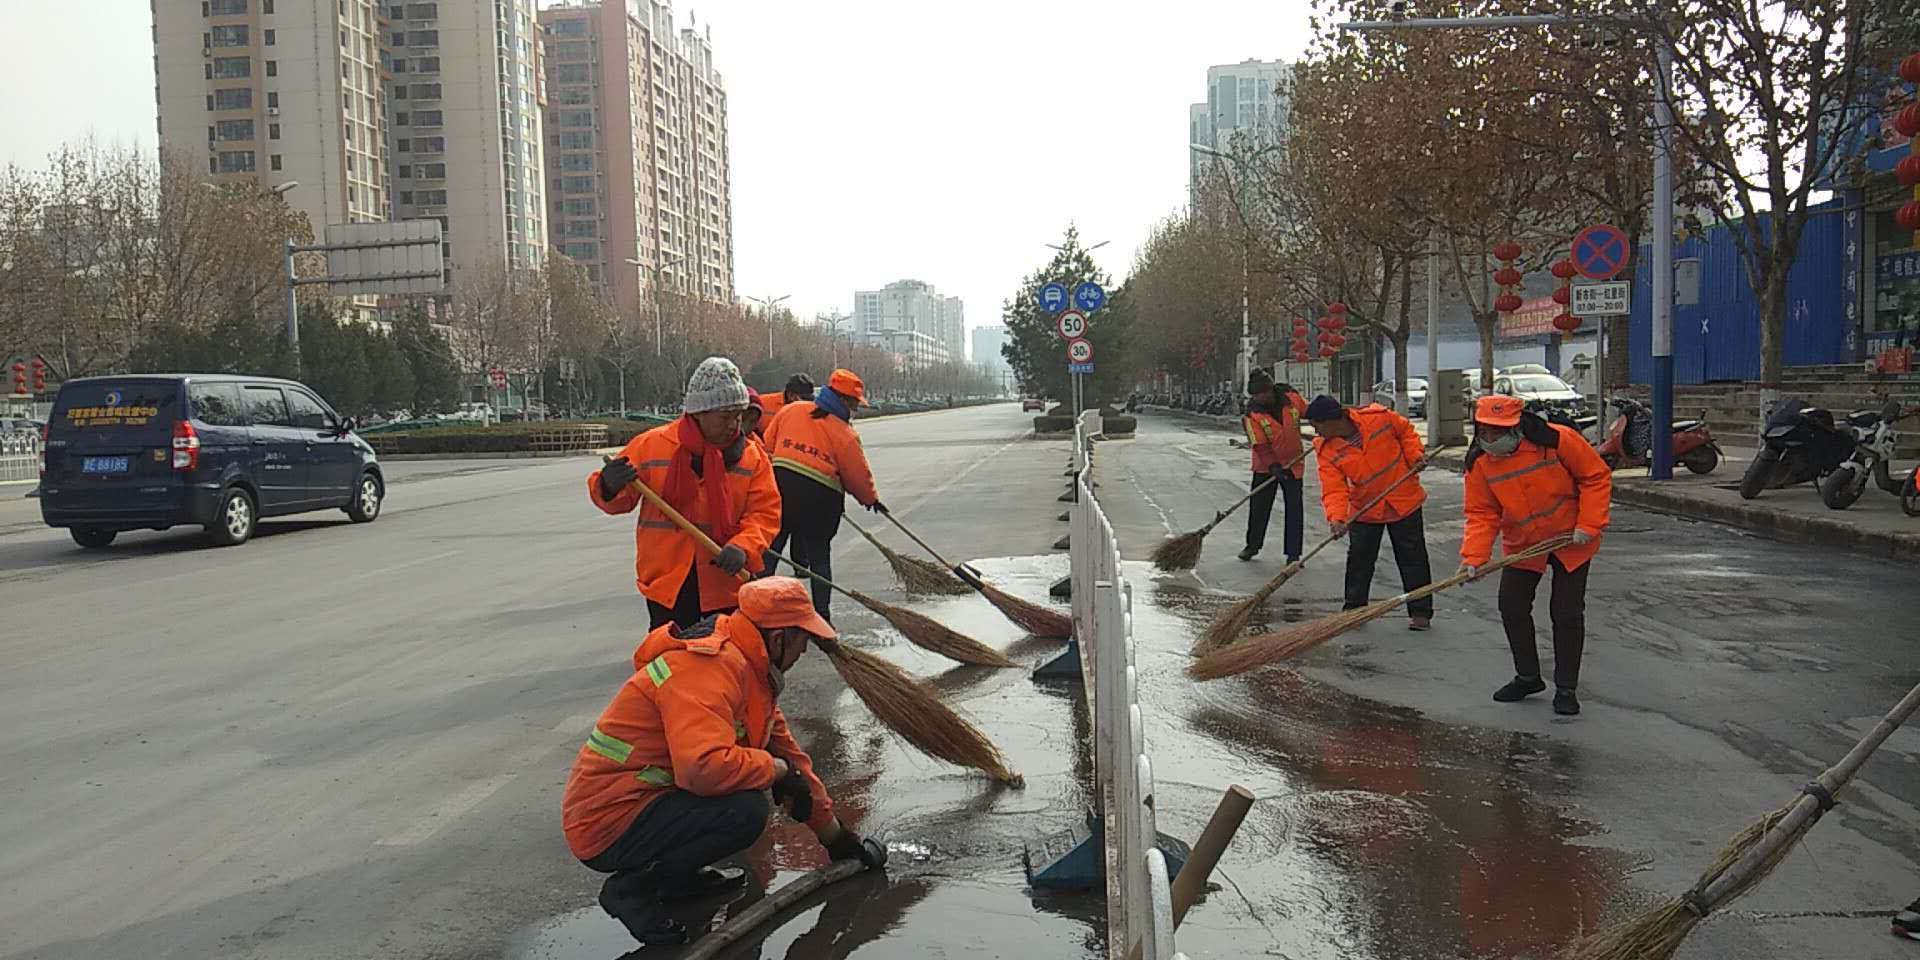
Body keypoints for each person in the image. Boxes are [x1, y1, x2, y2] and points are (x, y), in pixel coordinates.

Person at [561, 577, 886, 947]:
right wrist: (776, 771)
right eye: (803, 640)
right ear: (778, 639)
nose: (803, 652)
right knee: (744, 810)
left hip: (645, 803)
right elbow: (701, 769)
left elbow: (792, 757)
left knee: (744, 788)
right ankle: (632, 890)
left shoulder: (751, 673)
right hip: (607, 821)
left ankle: (677, 881)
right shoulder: (708, 668)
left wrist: (836, 838)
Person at [590, 357, 782, 631]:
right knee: (668, 654)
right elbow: (618, 501)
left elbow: (765, 513)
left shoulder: (753, 457)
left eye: (738, 415)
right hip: (668, 582)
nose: (734, 424)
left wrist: (743, 546)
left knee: (723, 654)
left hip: (724, 582)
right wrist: (608, 485)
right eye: (725, 417)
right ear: (699, 412)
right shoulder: (651, 445)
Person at [1458, 395, 1611, 716]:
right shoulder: (1480, 462)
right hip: (1524, 544)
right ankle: (1528, 677)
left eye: (1498, 432)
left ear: (1518, 427)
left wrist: (1589, 523)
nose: (1491, 439)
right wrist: (1474, 557)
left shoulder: (1557, 441)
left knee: (1566, 612)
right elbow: (1482, 513)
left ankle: (1566, 688)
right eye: (1485, 432)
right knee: (1511, 606)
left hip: (1571, 538)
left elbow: (1595, 477)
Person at [1305, 394, 1435, 631]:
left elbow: (1406, 433)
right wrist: (1337, 518)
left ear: (1332, 421)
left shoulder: (1379, 418)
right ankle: (1354, 611)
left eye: (1317, 426)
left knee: (1413, 558)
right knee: (1359, 560)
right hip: (1366, 508)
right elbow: (1333, 487)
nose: (1316, 432)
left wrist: (1415, 455)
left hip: (1402, 499)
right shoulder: (1326, 449)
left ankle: (1420, 611)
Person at [763, 369, 883, 621]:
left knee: (771, 551)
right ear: (843, 401)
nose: (855, 410)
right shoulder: (845, 434)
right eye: (854, 404)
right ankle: (822, 618)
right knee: (819, 559)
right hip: (819, 501)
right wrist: (870, 499)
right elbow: (857, 476)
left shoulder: (791, 411)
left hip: (782, 489)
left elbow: (768, 443)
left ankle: (757, 608)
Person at [1239, 369, 1307, 563]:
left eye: (1261, 394)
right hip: (1265, 467)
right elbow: (1259, 445)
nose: (1258, 398)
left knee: (1294, 510)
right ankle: (1252, 545)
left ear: (1269, 390)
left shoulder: (1291, 399)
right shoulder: (1252, 414)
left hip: (1293, 464)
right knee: (1259, 508)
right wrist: (1273, 466)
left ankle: (1293, 554)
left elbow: (1308, 412)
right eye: (1255, 395)